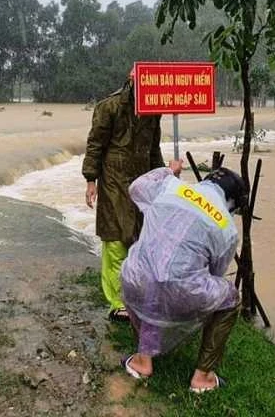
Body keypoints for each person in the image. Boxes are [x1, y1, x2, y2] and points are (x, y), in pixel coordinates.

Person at [119, 163, 247, 393]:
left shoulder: (171, 186)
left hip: (134, 280)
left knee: (153, 278)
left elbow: (136, 188)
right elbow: (215, 274)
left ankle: (142, 361)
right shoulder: (227, 229)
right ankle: (203, 377)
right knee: (230, 298)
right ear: (232, 203)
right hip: (180, 294)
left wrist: (169, 170)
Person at [82, 70, 164, 323]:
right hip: (114, 182)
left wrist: (163, 179)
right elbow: (95, 143)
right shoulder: (110, 106)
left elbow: (153, 148)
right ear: (131, 80)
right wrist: (91, 180)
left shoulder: (153, 109)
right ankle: (118, 303)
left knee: (138, 239)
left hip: (142, 182)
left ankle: (135, 294)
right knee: (116, 238)